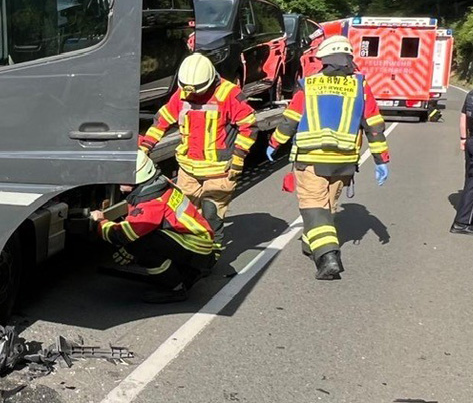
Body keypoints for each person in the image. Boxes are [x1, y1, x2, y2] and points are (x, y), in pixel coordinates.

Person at [267, 35, 390, 280]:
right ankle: (310, 244)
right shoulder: (360, 86)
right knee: (328, 207)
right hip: (343, 163)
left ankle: (328, 256)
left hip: (311, 159)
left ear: (323, 59)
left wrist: (274, 143)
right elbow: (373, 124)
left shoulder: (309, 85)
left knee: (315, 208)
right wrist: (380, 159)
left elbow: (291, 119)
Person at [91, 150, 221, 303]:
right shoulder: (158, 184)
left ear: (136, 179)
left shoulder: (152, 202)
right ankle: (187, 272)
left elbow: (123, 234)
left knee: (140, 243)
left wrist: (100, 222)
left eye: (122, 178)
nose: (118, 181)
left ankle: (175, 288)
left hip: (196, 246)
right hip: (196, 242)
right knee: (139, 240)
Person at [139, 53, 257, 221]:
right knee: (185, 217)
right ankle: (192, 246)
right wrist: (145, 147)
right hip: (188, 170)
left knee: (211, 217)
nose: (192, 95)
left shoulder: (228, 93)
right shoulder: (182, 93)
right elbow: (161, 122)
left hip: (219, 171)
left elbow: (249, 126)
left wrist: (238, 157)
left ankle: (213, 246)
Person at [451, 83, 473, 234]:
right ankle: (463, 222)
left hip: (472, 139)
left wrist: (463, 138)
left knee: (472, 180)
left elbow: (464, 117)